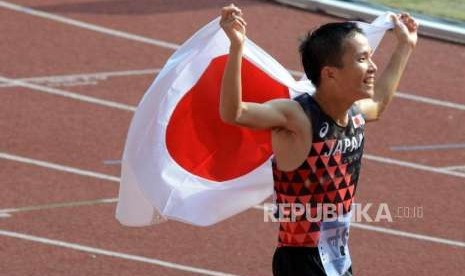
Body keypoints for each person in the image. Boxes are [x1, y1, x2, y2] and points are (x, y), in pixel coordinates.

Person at [219, 3, 418, 276]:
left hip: (336, 259)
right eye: (362, 59)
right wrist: (236, 47)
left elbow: (380, 103)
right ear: (330, 73)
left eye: (371, 58)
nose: (372, 67)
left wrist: (405, 47)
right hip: (301, 261)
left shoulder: (355, 114)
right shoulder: (297, 117)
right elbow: (235, 112)